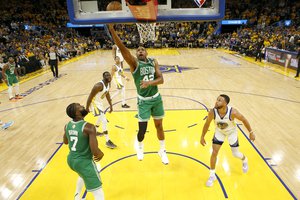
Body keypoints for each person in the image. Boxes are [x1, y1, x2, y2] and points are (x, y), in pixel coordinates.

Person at [108, 24, 169, 164]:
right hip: (143, 101)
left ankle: (162, 150)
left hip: (156, 99)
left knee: (159, 126)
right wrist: (112, 30)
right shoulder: (135, 64)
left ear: (146, 53)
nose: (140, 51)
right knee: (142, 129)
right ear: (136, 55)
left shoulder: (153, 62)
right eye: (138, 50)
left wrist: (149, 83)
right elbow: (123, 51)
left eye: (143, 50)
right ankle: (140, 148)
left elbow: (161, 79)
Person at [200, 94, 255, 187]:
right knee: (214, 152)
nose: (216, 101)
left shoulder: (233, 112)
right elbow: (207, 124)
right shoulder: (212, 112)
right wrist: (202, 136)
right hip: (219, 132)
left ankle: (245, 160)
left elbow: (244, 119)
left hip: (231, 132)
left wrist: (251, 132)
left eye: (219, 100)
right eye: (217, 99)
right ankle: (212, 175)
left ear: (225, 103)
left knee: (235, 154)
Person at [63, 103, 105, 200]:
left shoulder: (67, 125)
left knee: (82, 175)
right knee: (98, 192)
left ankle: (77, 196)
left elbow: (65, 141)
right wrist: (100, 153)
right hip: (84, 162)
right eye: (80, 107)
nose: (83, 106)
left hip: (71, 161)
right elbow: (95, 152)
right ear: (77, 114)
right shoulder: (89, 127)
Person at [86, 71, 117, 149]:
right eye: (106, 76)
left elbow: (107, 94)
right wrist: (87, 107)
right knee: (104, 120)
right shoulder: (98, 85)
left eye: (109, 75)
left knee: (100, 118)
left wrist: (110, 105)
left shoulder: (108, 83)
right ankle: (107, 141)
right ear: (103, 77)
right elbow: (90, 96)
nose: (109, 77)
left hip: (100, 103)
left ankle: (95, 131)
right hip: (94, 104)